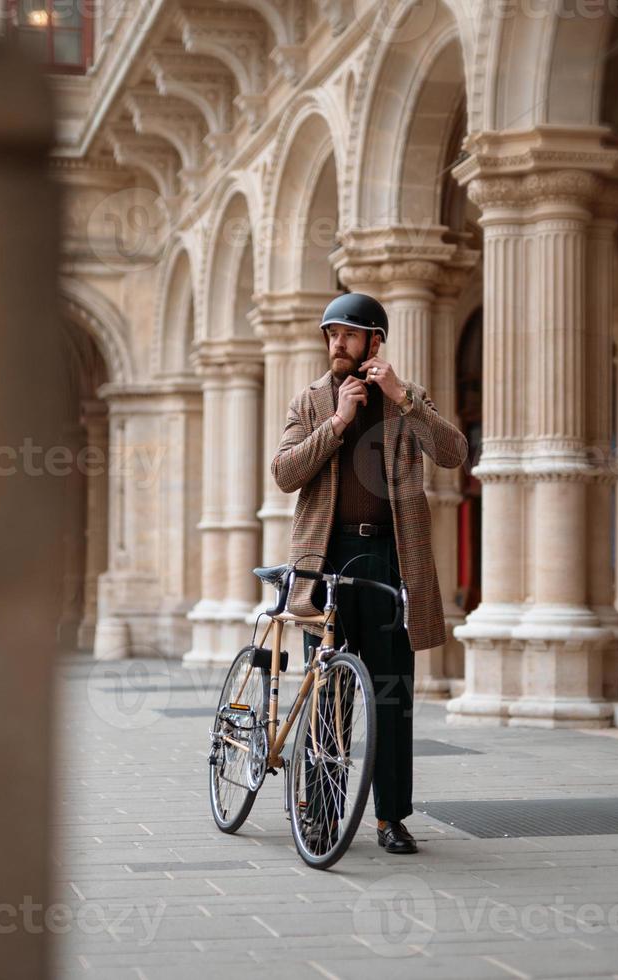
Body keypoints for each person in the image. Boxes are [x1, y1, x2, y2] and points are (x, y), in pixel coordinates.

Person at [270, 291, 469, 854]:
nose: (337, 343)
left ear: (374, 342)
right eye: (332, 334)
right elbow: (285, 473)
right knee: (328, 692)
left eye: (349, 335)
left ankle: (390, 819)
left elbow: (453, 453)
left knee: (391, 694)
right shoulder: (311, 401)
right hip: (326, 563)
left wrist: (404, 399)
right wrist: (338, 421)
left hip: (389, 560)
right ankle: (323, 815)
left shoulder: (404, 401)